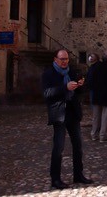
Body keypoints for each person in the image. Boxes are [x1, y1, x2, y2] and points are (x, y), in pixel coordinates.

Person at [41, 49, 93, 189]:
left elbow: (77, 92)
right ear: (55, 59)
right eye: (62, 59)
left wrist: (80, 86)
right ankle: (55, 179)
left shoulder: (71, 72)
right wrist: (65, 87)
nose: (65, 62)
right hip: (59, 114)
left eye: (66, 59)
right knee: (59, 148)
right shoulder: (49, 73)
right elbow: (47, 93)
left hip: (72, 112)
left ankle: (78, 174)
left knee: (78, 146)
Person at [87, 50, 107, 142]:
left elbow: (90, 80)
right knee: (106, 116)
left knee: (96, 116)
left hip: (97, 95)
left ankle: (94, 134)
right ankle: (102, 135)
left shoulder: (96, 67)